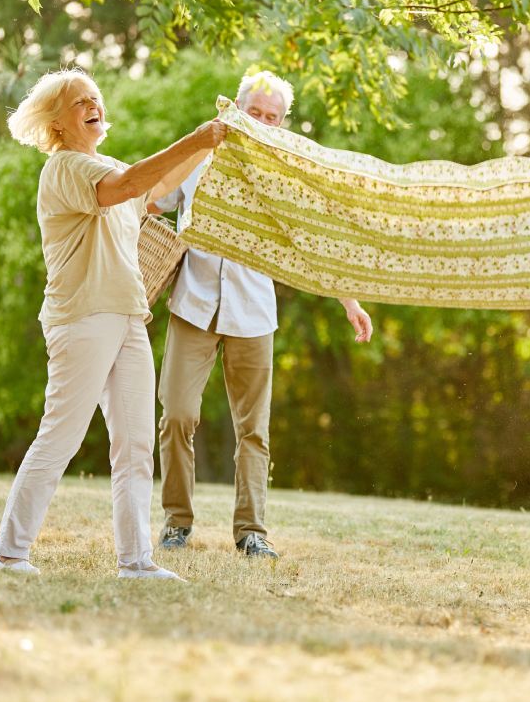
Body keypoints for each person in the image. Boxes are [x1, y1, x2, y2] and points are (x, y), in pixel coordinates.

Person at [0, 67, 225, 579]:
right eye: (80, 102)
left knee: (136, 444)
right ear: (57, 122)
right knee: (62, 435)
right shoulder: (66, 168)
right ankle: (10, 553)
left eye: (95, 97)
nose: (93, 104)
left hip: (126, 316)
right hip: (83, 317)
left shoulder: (106, 165)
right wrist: (196, 138)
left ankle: (136, 561)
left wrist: (211, 140)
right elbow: (129, 185)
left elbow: (156, 184)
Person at [152, 71, 373, 557]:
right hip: (193, 304)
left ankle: (251, 532)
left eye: (272, 117)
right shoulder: (200, 156)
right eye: (255, 112)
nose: (263, 123)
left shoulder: (285, 181)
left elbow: (315, 246)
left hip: (253, 314)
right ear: (236, 107)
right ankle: (176, 522)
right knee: (177, 416)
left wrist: (350, 300)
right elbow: (151, 199)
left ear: (282, 124)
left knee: (254, 430)